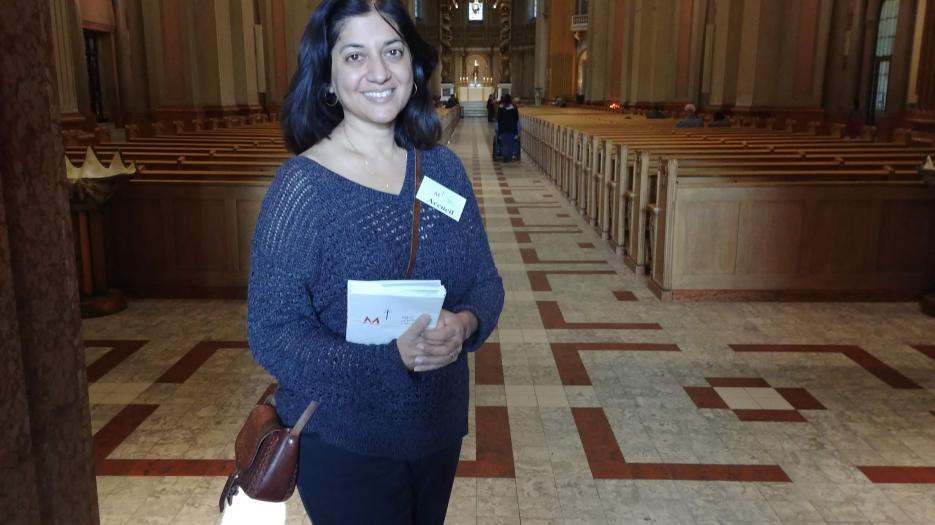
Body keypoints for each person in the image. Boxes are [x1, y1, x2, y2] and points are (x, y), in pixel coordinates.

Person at [249, 1, 505, 524]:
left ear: (412, 67)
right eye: (354, 56)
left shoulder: (442, 172)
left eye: (392, 51)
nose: (379, 72)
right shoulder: (300, 189)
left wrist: (465, 323)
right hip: (342, 436)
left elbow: (484, 280)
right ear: (327, 76)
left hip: (435, 430)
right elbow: (272, 332)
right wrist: (391, 359)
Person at [496, 93, 519, 162]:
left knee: (504, 143)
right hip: (512, 129)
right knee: (511, 143)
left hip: (503, 129)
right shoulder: (514, 108)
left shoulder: (500, 108)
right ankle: (510, 156)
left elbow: (499, 118)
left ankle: (504, 155)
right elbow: (516, 118)